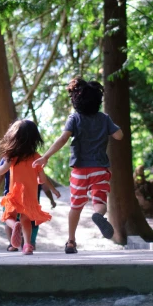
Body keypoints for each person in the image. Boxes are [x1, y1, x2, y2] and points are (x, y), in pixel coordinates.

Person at [32, 78, 123, 254]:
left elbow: (63, 139)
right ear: (98, 101)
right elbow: (119, 136)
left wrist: (45, 156)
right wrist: (110, 126)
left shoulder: (74, 119)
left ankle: (71, 241)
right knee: (100, 200)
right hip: (100, 169)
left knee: (76, 206)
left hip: (80, 170)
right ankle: (98, 215)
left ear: (76, 101)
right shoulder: (104, 119)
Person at [0, 120, 61, 255]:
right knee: (26, 221)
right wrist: (53, 189)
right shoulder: (36, 157)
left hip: (14, 194)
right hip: (30, 195)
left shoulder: (11, 157)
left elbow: (2, 171)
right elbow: (43, 179)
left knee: (8, 217)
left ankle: (14, 227)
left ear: (13, 137)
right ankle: (27, 246)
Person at [0, 158, 55, 251]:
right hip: (30, 198)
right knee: (28, 221)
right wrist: (52, 196)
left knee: (8, 218)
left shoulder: (8, 158)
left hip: (11, 195)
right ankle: (28, 244)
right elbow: (43, 182)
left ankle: (12, 243)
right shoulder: (34, 158)